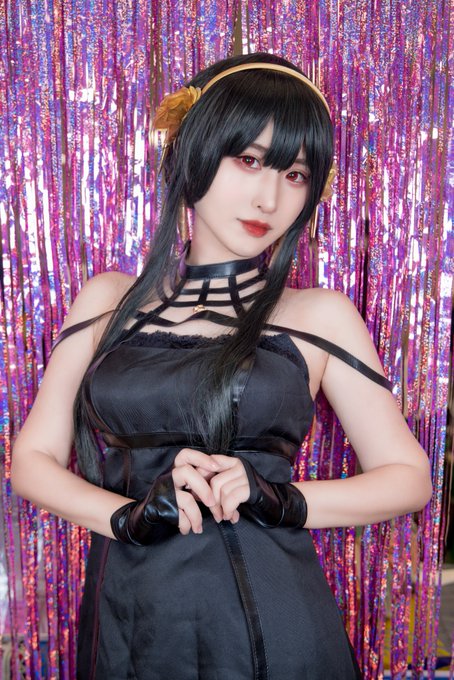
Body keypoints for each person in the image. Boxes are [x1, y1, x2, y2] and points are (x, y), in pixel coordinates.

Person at [11, 52, 432, 680]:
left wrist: (279, 499)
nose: (270, 196)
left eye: (295, 173)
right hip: (131, 619)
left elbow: (408, 477)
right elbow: (32, 460)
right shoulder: (107, 301)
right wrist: (125, 518)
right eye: (250, 160)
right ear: (194, 152)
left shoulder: (318, 314)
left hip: (276, 626)